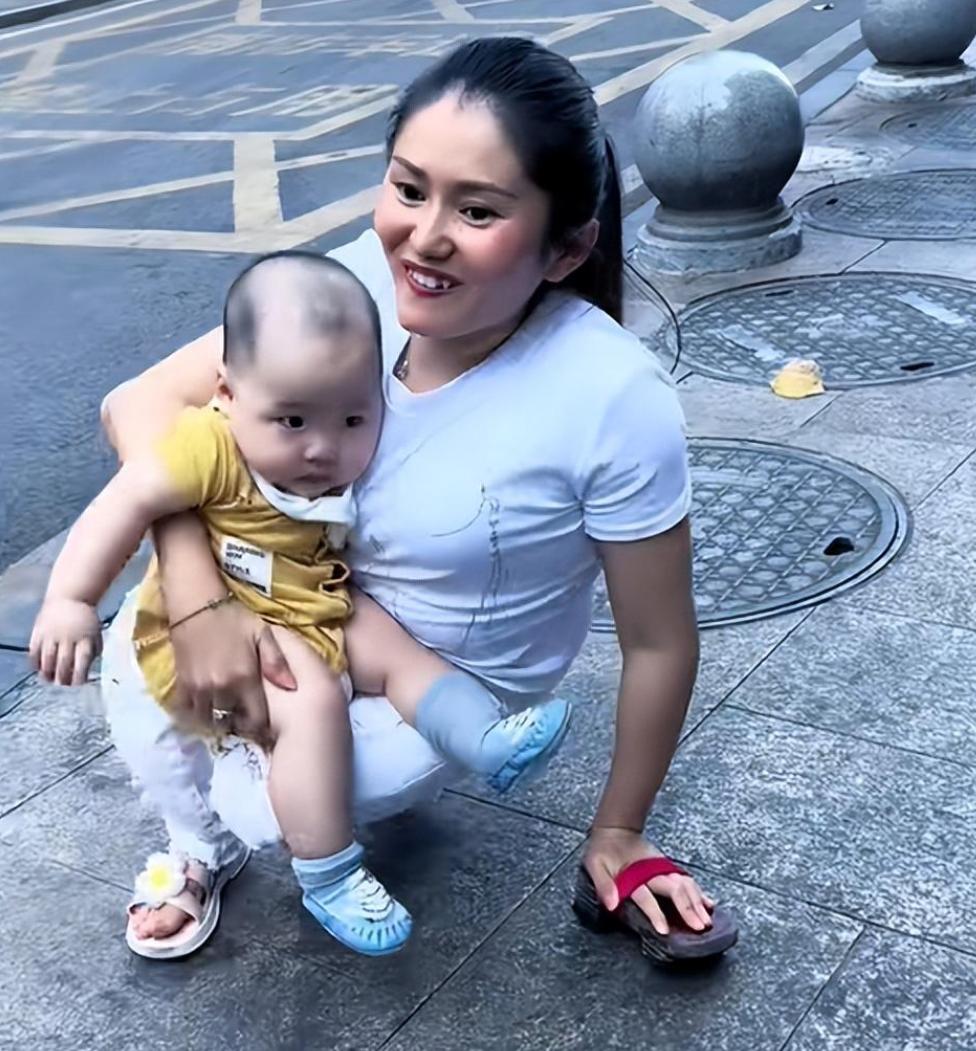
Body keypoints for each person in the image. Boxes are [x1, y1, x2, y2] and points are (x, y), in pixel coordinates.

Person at [100, 35, 724, 958]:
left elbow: (661, 638)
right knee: (135, 644)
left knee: (265, 802)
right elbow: (138, 404)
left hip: (436, 685)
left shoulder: (612, 397)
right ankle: (198, 847)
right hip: (296, 599)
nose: (423, 237)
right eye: (407, 188)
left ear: (566, 249)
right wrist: (198, 602)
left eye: (477, 210)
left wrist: (619, 831)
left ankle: (272, 814)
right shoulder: (361, 280)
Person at [30, 251, 571, 959]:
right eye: (291, 420)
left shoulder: (338, 435)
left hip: (313, 602)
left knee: (399, 651)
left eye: (352, 418)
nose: (323, 449)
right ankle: (329, 870)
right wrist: (71, 598)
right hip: (225, 631)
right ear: (227, 394)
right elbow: (124, 502)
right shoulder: (208, 445)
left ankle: (484, 736)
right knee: (310, 698)